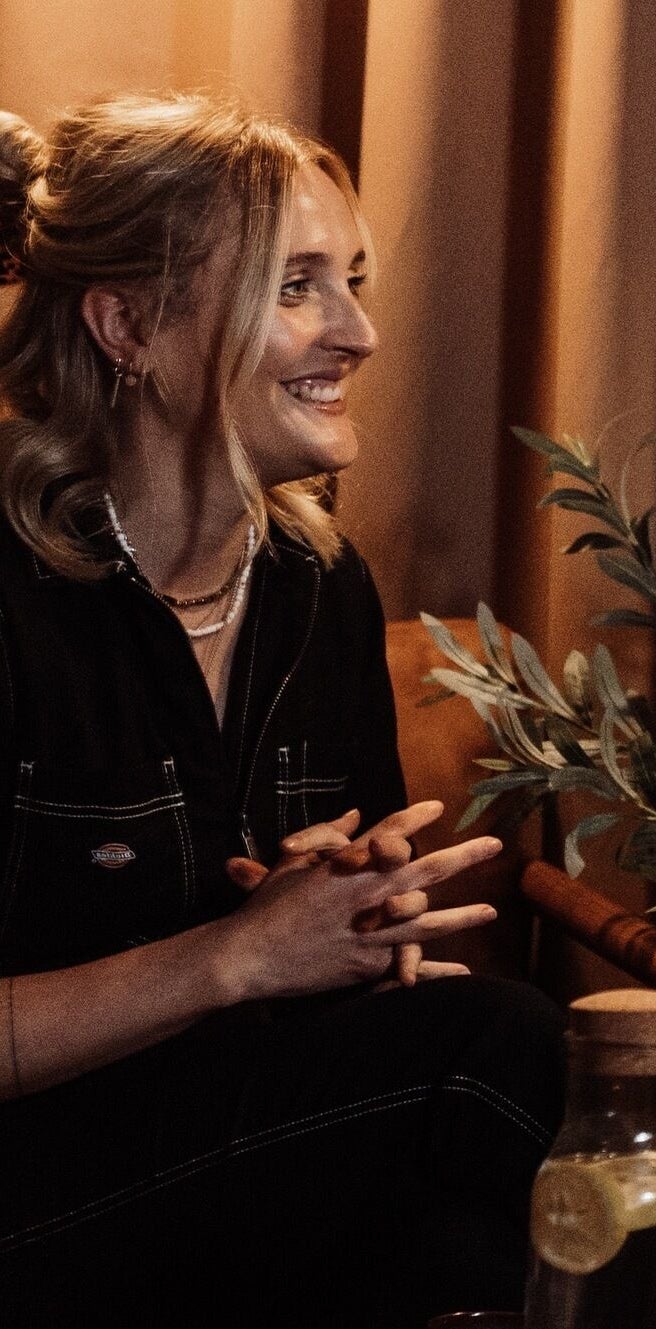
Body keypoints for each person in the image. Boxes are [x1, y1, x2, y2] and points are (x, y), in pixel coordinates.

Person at [0, 95, 563, 1327]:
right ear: (127, 325)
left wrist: (352, 923)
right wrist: (235, 957)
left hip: (220, 1167)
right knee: (493, 1050)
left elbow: (324, 982)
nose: (359, 332)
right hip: (26, 1196)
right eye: (297, 286)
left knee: (452, 1225)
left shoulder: (319, 585)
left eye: (351, 281)